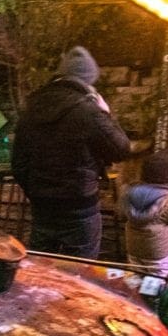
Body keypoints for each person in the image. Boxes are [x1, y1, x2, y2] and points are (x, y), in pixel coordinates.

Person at [12, 46, 131, 258]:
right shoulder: (89, 111)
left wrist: (36, 191)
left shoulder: (32, 107)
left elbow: (18, 162)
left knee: (41, 267)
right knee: (80, 271)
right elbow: (121, 149)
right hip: (79, 205)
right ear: (87, 80)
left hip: (42, 204)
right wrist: (107, 113)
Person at [119, 151, 168, 277]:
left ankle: (136, 295)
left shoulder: (128, 192)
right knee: (156, 280)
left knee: (136, 276)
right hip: (157, 250)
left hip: (133, 247)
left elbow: (121, 213)